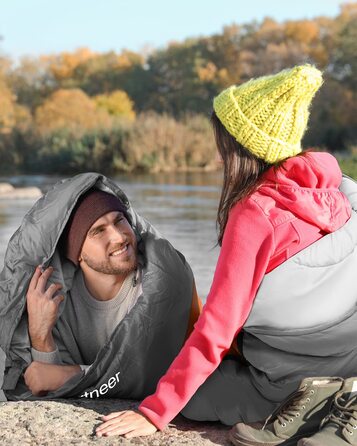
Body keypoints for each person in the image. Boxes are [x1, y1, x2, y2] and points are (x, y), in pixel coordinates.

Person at [94, 64, 357, 442]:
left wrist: (155, 412)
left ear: (245, 148)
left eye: (225, 146)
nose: (219, 159)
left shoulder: (255, 213)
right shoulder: (335, 192)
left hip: (287, 379)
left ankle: (313, 404)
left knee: (189, 397)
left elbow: (217, 327)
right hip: (348, 358)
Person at [0, 174, 202, 402]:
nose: (118, 237)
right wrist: (40, 335)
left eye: (119, 220)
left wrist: (73, 374)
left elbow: (154, 371)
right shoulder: (56, 302)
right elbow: (47, 386)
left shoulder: (160, 282)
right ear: (77, 254)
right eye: (98, 231)